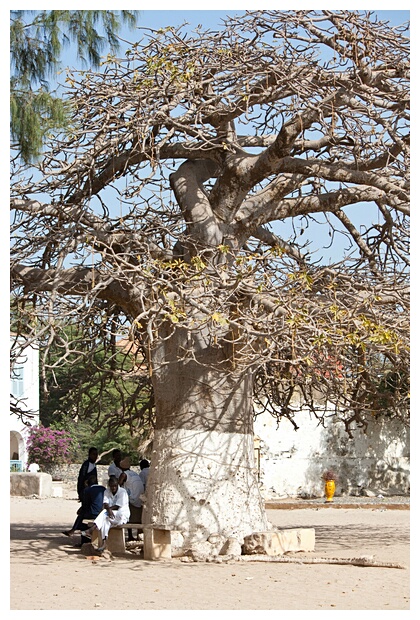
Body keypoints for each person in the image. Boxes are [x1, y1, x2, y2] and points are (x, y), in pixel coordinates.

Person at [85, 475, 130, 552]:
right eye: (112, 486)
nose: (113, 488)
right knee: (105, 521)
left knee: (104, 513)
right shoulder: (107, 491)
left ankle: (92, 528)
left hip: (121, 515)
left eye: (115, 486)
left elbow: (118, 506)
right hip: (110, 516)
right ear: (109, 485)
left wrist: (108, 509)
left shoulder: (122, 492)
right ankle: (104, 542)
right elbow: (105, 504)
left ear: (117, 485)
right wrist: (108, 510)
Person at [62, 473, 105, 545]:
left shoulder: (87, 490)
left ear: (87, 483)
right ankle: (73, 530)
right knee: (83, 514)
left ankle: (82, 539)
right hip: (102, 513)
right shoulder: (103, 489)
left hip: (93, 513)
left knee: (82, 515)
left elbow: (85, 505)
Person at [118, 457, 145, 541]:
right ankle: (139, 536)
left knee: (126, 511)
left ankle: (130, 536)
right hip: (139, 497)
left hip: (133, 498)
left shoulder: (124, 474)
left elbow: (118, 484)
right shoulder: (134, 473)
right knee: (138, 519)